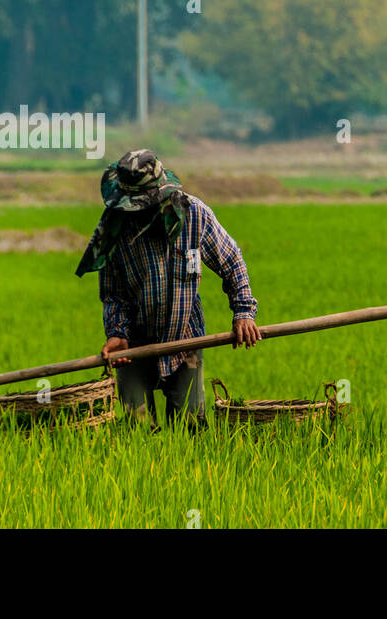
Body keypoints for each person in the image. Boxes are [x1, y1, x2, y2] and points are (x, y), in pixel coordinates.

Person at [75, 149, 262, 428]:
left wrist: (244, 313)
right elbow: (113, 293)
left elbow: (231, 260)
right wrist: (117, 333)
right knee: (136, 429)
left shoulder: (194, 215)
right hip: (135, 345)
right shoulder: (115, 227)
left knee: (191, 427)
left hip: (185, 338)